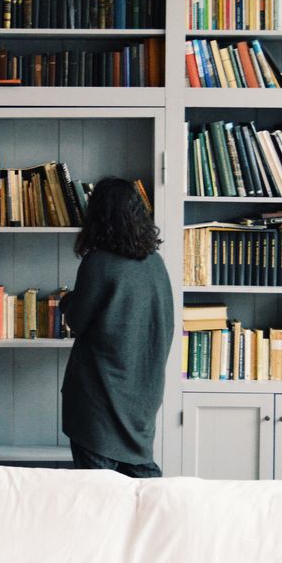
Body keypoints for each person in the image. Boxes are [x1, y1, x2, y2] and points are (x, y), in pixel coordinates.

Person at [60, 177, 173, 477]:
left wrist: (66, 301)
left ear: (98, 217)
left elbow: (76, 320)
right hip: (143, 394)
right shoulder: (155, 263)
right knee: (143, 489)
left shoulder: (98, 263)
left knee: (100, 496)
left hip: (99, 397)